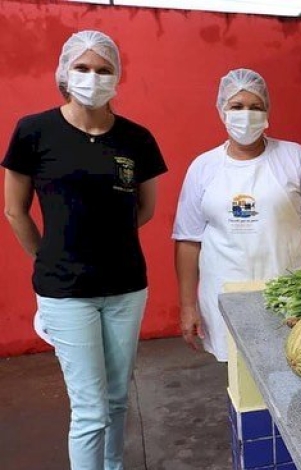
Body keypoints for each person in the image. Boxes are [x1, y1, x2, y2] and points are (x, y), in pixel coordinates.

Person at [1, 30, 167, 469]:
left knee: (116, 401)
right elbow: (14, 210)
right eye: (83, 67)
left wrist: (102, 238)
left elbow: (146, 207)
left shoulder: (136, 139)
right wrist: (50, 255)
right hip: (65, 292)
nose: (93, 77)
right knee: (90, 409)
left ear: (117, 77)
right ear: (65, 72)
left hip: (126, 287)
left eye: (103, 69)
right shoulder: (34, 131)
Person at [172, 68, 301, 362]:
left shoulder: (293, 157)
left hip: (288, 292)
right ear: (223, 111)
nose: (245, 115)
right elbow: (187, 240)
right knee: (238, 378)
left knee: (291, 365)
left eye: (255, 107)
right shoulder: (203, 167)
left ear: (266, 111)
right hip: (225, 295)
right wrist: (187, 306)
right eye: (237, 107)